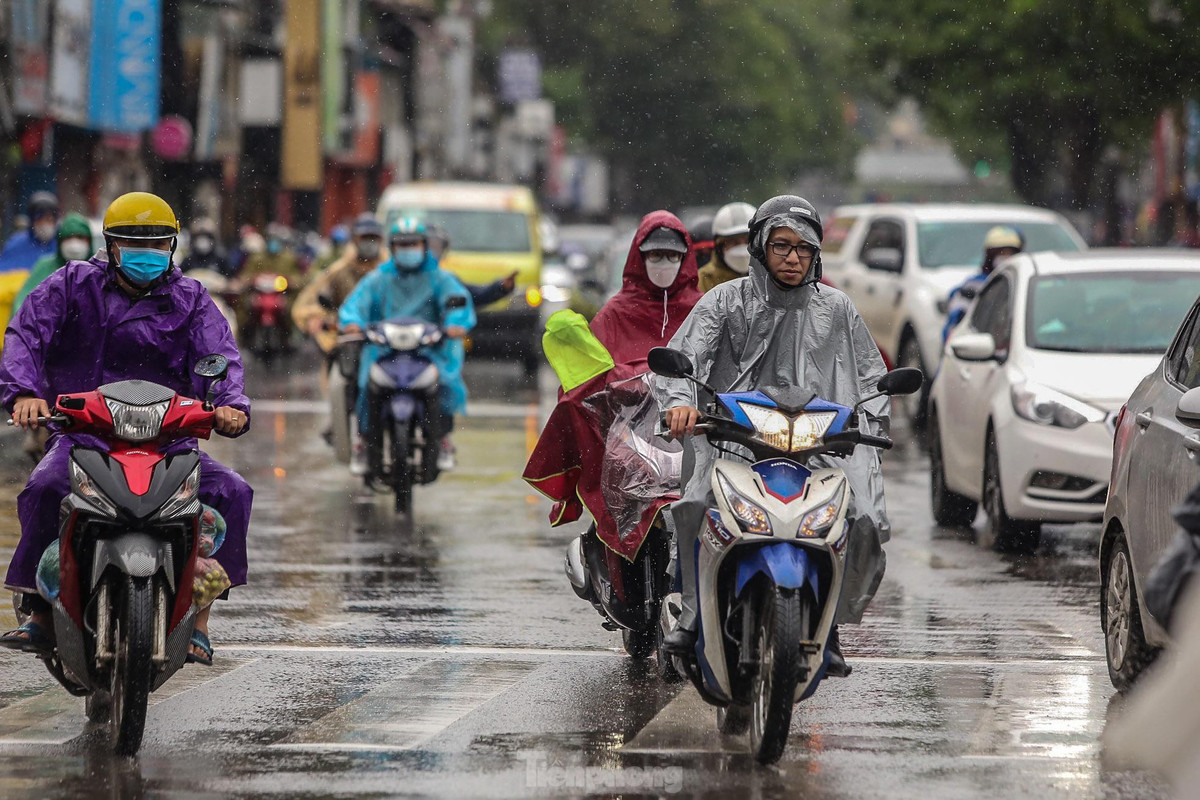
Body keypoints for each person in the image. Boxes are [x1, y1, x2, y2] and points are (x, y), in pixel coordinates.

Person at [0, 192, 252, 666]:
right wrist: (24, 393)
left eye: (157, 243)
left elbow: (220, 357)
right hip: (83, 434)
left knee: (231, 491)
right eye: (134, 242)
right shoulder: (72, 285)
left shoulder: (192, 300)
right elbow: (26, 333)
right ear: (111, 247)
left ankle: (199, 620)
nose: (147, 252)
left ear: (174, 246)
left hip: (169, 439)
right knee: (43, 486)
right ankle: (38, 611)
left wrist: (229, 404)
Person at [656, 195, 889, 678]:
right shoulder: (724, 300)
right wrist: (681, 401)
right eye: (781, 245)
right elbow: (686, 356)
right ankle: (693, 613)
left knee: (857, 513)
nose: (792, 257)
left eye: (804, 248)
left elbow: (871, 378)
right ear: (760, 247)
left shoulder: (838, 308)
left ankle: (831, 625)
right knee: (697, 504)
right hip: (732, 439)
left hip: (817, 443)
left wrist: (869, 418)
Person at [339, 218, 476, 474]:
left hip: (428, 349)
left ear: (425, 245)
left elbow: (458, 303)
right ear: (392, 247)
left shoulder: (439, 277)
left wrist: (456, 323)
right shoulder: (379, 278)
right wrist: (353, 323)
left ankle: (443, 438)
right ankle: (365, 441)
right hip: (384, 349)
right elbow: (355, 305)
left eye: (413, 243)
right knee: (364, 382)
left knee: (445, 382)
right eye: (402, 244)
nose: (408, 249)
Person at [589, 211, 702, 364]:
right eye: (656, 254)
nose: (664, 263)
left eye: (673, 255)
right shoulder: (615, 314)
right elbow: (590, 376)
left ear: (684, 258)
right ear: (640, 257)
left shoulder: (701, 309)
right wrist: (637, 379)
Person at [292, 213, 387, 348]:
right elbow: (306, 303)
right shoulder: (339, 271)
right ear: (355, 240)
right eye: (365, 238)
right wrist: (314, 317)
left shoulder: (390, 271)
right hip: (345, 343)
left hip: (386, 345)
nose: (369, 242)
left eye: (373, 238)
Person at [941, 225, 1025, 342]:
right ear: (990, 255)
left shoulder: (1023, 284)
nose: (1006, 257)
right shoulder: (973, 286)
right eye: (1001, 252)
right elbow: (954, 327)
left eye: (1010, 253)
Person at [13, 212, 94, 315]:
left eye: (80, 237)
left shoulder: (99, 269)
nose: (74, 243)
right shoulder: (45, 267)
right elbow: (23, 304)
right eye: (68, 238)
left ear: (89, 241)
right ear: (60, 241)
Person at [426, 223, 518, 308]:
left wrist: (500, 287)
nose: (433, 252)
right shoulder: (413, 278)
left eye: (437, 248)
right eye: (429, 246)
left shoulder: (444, 280)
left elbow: (473, 296)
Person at [697, 202, 756, 292]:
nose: (742, 250)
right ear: (720, 247)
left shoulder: (771, 277)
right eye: (734, 242)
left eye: (747, 241)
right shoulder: (703, 280)